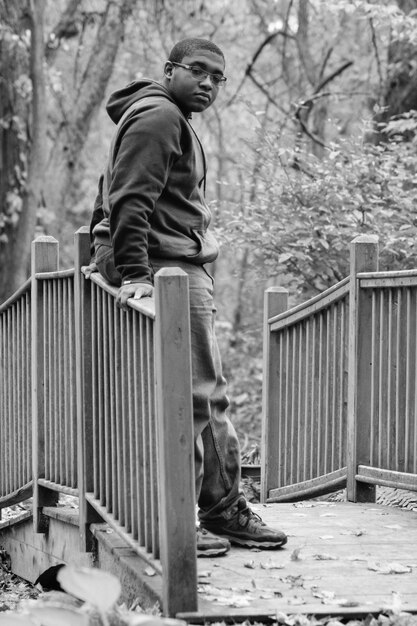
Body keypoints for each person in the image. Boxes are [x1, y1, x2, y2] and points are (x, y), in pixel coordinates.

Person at [89, 37, 287, 556]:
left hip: (168, 264)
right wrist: (134, 272)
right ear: (169, 69)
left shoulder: (159, 115)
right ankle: (194, 516)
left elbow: (112, 196)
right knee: (199, 395)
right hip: (165, 269)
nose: (208, 83)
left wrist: (113, 253)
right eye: (197, 71)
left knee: (194, 393)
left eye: (218, 77)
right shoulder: (159, 118)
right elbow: (129, 199)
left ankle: (213, 508)